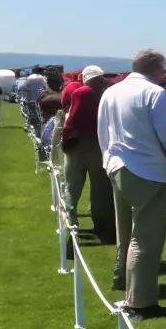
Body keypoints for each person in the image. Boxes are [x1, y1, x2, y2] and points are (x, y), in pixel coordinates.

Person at [96, 49, 166, 320]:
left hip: (116, 166)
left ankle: (123, 282)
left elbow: (102, 131)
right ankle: (142, 302)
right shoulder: (154, 93)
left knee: (125, 233)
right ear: (156, 68)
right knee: (146, 239)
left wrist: (108, 160)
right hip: (149, 171)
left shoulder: (111, 92)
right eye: (163, 68)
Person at [62, 65, 116, 242]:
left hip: (78, 145)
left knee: (72, 186)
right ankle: (103, 229)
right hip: (99, 145)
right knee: (100, 190)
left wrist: (66, 139)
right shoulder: (108, 93)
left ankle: (70, 227)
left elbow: (72, 119)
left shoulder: (81, 93)